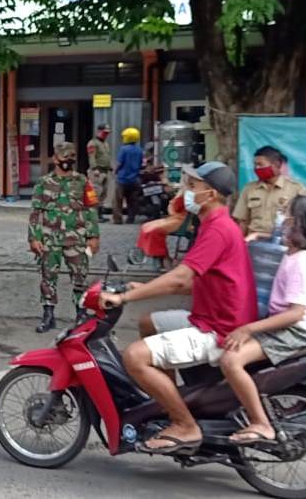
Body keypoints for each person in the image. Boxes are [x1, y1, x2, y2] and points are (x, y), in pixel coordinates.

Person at [100, 161, 257, 453]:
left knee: (134, 357)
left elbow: (181, 278)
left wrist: (125, 298)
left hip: (219, 329)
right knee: (148, 323)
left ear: (209, 194)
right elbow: (189, 282)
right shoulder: (213, 223)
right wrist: (142, 289)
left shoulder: (218, 228)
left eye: (192, 186)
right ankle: (168, 400)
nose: (185, 190)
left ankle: (184, 424)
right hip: (211, 317)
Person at [220, 196, 306, 443]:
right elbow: (268, 237)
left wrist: (247, 329)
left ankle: (261, 423)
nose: (282, 221)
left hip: (296, 330)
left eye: (288, 217)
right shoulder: (292, 252)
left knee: (231, 360)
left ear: (301, 226)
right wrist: (257, 237)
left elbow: (295, 313)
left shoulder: (302, 262)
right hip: (287, 325)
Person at [29, 142, 100, 333]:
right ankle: (48, 314)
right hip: (49, 239)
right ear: (55, 159)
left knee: (80, 277)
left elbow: (91, 209)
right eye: (64, 158)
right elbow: (36, 213)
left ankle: (81, 314)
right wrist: (33, 238)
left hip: (76, 238)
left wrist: (94, 236)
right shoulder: (44, 183)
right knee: (47, 277)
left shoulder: (82, 181)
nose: (68, 161)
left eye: (71, 158)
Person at [233, 146, 306, 241]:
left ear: (276, 165)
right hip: (254, 242)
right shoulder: (249, 189)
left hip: (284, 244)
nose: (256, 168)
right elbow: (242, 222)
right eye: (255, 165)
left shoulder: (296, 189)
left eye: (260, 164)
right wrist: (239, 243)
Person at [135, 191, 187, 270]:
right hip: (176, 217)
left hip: (181, 220)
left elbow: (174, 208)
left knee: (154, 230)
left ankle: (162, 257)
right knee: (146, 226)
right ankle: (151, 254)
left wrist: (174, 200)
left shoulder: (187, 194)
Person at [113, 126, 143, 224]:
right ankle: (130, 218)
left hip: (122, 179)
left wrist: (115, 171)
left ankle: (118, 219)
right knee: (132, 201)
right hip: (134, 179)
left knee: (118, 201)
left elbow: (119, 163)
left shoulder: (124, 149)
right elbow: (141, 164)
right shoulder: (139, 150)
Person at [86, 124, 112, 222]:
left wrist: (109, 167)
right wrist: (94, 168)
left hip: (105, 171)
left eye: (107, 133)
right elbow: (92, 157)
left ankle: (100, 215)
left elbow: (105, 156)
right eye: (104, 133)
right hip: (96, 172)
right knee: (95, 193)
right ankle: (93, 215)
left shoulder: (105, 144)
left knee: (103, 194)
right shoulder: (93, 143)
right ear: (98, 131)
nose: (106, 135)